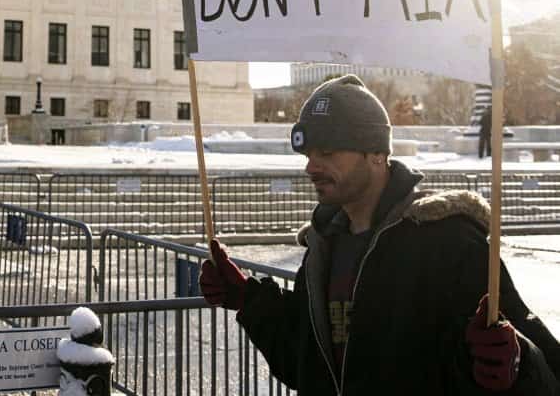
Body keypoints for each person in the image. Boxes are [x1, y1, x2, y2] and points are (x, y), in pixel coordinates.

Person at [199, 74, 560, 395]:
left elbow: (538, 363)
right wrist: (248, 299)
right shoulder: (322, 247)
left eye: (327, 151)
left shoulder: (450, 243)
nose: (311, 166)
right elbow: (306, 363)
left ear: (376, 152)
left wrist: (516, 364)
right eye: (308, 153)